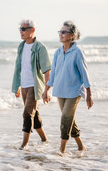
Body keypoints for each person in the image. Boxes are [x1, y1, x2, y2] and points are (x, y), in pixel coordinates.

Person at [42, 21, 94, 154]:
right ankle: (81, 146)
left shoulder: (77, 52)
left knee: (65, 118)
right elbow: (53, 73)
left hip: (74, 91)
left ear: (72, 35)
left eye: (64, 32)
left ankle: (62, 151)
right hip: (60, 91)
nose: (61, 34)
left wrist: (89, 94)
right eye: (60, 31)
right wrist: (46, 90)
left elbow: (84, 74)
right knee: (70, 120)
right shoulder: (58, 52)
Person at [12, 19, 51, 149]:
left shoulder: (40, 47)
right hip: (23, 86)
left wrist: (46, 90)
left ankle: (24, 145)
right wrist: (18, 85)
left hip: (34, 86)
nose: (21, 32)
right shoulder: (21, 46)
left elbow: (47, 70)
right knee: (34, 115)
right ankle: (44, 139)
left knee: (27, 114)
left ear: (32, 30)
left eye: (24, 29)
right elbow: (20, 67)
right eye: (20, 29)